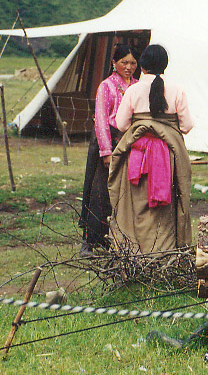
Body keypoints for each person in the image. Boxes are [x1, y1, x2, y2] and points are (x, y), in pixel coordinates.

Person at [108, 44, 194, 254]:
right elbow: (186, 126)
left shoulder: (133, 90)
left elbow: (120, 124)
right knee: (166, 209)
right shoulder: (177, 90)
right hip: (168, 156)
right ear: (165, 65)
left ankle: (135, 251)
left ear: (142, 67)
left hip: (138, 154)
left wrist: (143, 126)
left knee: (136, 204)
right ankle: (164, 252)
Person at [79, 43, 139, 257]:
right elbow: (102, 120)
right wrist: (106, 151)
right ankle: (90, 241)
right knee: (99, 191)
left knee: (125, 192)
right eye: (124, 62)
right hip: (108, 142)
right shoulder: (106, 86)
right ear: (114, 62)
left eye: (133, 62)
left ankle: (117, 239)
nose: (129, 67)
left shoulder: (138, 85)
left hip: (129, 144)